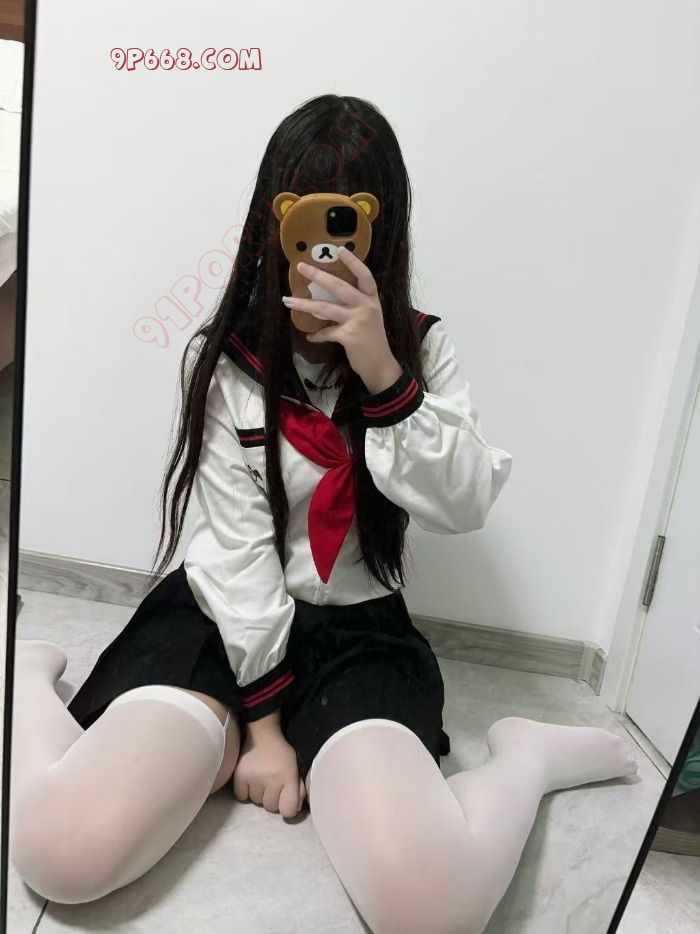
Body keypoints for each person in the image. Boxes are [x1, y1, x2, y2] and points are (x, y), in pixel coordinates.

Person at [10, 95, 639, 933]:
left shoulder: (422, 350)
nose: (325, 250)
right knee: (63, 854)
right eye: (306, 219)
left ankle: (524, 758)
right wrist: (266, 728)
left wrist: (384, 373)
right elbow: (238, 550)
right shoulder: (227, 359)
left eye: (348, 220)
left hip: (355, 628)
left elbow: (463, 503)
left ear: (383, 226)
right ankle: (30, 676)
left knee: (432, 911)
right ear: (273, 221)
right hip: (220, 617)